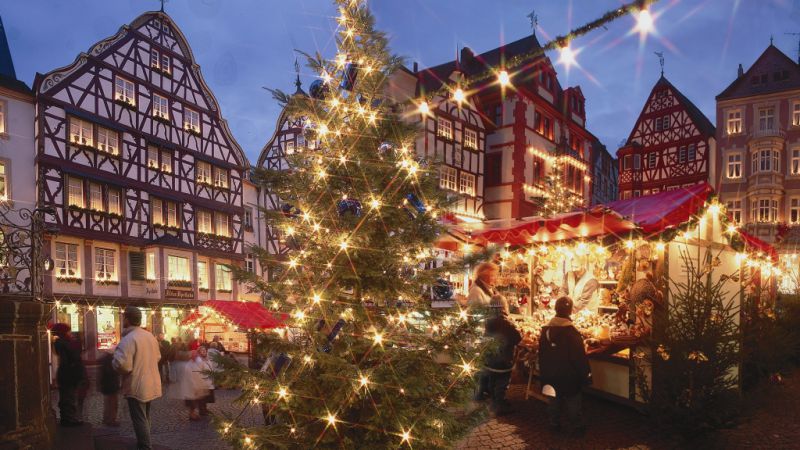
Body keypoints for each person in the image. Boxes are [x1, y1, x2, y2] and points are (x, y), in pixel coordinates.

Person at [538, 297, 592, 435]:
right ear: (570, 311)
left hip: (550, 374)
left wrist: (543, 372)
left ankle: (554, 424)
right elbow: (579, 358)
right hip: (569, 376)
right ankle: (577, 426)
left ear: (555, 309)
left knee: (553, 400)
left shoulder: (545, 330)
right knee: (573, 401)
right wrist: (586, 376)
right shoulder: (572, 333)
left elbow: (542, 354)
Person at [113, 306, 162, 450]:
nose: (123, 320)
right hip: (151, 382)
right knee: (145, 417)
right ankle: (144, 443)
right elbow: (158, 357)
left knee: (139, 419)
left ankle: (145, 446)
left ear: (127, 319)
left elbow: (123, 365)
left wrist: (113, 360)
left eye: (124, 317)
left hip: (137, 384)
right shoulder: (150, 336)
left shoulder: (129, 339)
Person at [475, 296, 522, 416]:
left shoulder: (488, 322)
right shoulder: (507, 324)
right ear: (503, 306)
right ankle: (499, 404)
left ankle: (495, 401)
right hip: (504, 361)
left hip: (490, 359)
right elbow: (518, 338)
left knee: (492, 380)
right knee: (502, 384)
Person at [52, 323, 86, 426]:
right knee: (69, 397)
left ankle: (66, 418)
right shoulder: (63, 344)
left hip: (66, 374)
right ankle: (69, 419)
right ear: (63, 333)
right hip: (68, 375)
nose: (70, 333)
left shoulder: (61, 343)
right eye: (68, 331)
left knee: (67, 397)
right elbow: (72, 357)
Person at [98, 348, 121, 426]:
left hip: (106, 385)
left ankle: (106, 418)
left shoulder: (104, 361)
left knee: (107, 402)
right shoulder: (112, 362)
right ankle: (111, 420)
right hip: (112, 385)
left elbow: (100, 375)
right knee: (113, 403)